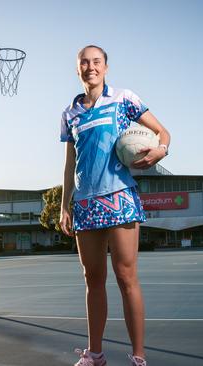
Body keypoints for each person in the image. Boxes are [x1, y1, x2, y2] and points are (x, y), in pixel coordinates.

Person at [60, 45, 170, 366]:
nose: (90, 66)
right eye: (84, 62)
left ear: (106, 67)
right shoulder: (70, 113)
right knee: (93, 279)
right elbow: (70, 164)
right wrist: (65, 205)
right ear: (77, 68)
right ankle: (95, 354)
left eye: (96, 61)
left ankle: (138, 357)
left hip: (120, 197)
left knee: (126, 277)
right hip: (85, 203)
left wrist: (160, 150)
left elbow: (163, 132)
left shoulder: (124, 99)